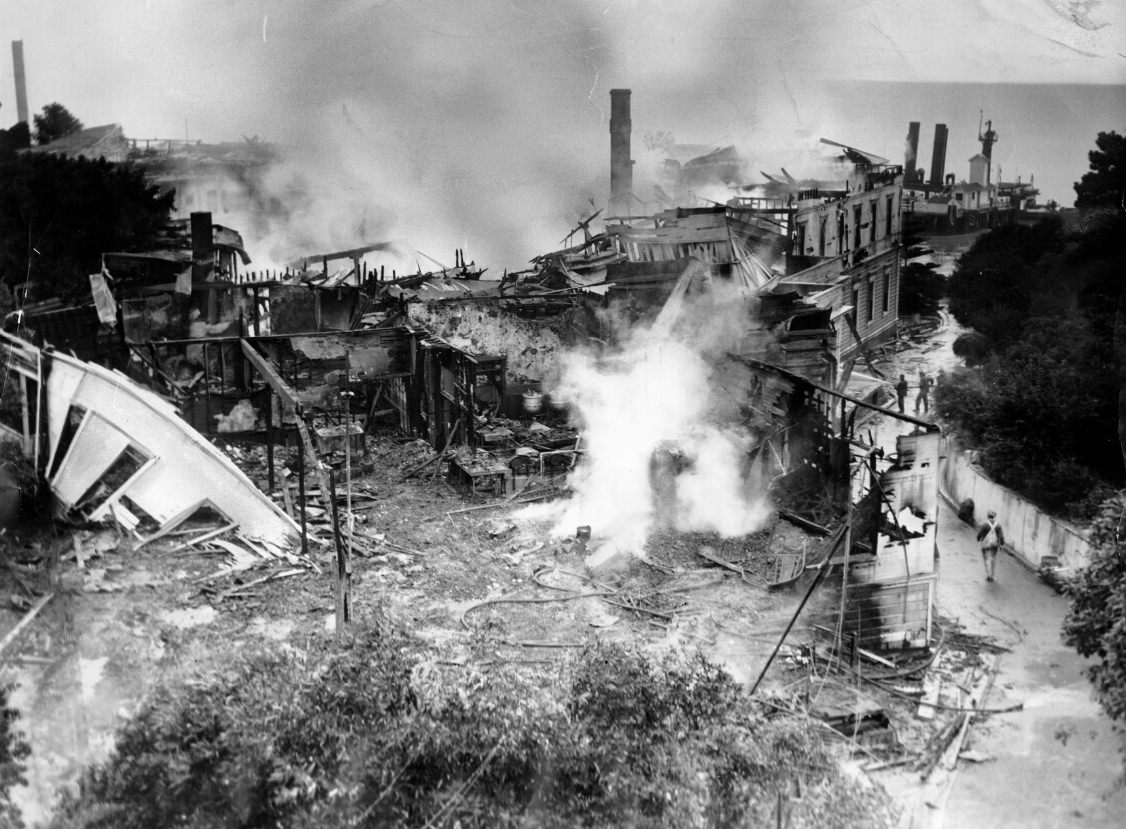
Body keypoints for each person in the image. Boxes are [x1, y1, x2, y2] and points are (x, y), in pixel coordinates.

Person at [976, 509, 1005, 582]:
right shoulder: (998, 525)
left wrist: (978, 539)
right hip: (994, 545)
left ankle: (988, 575)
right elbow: (1001, 536)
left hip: (986, 545)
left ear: (988, 516)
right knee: (993, 559)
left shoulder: (985, 524)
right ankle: (992, 575)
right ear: (994, 516)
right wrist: (1001, 544)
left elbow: (979, 534)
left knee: (987, 560)